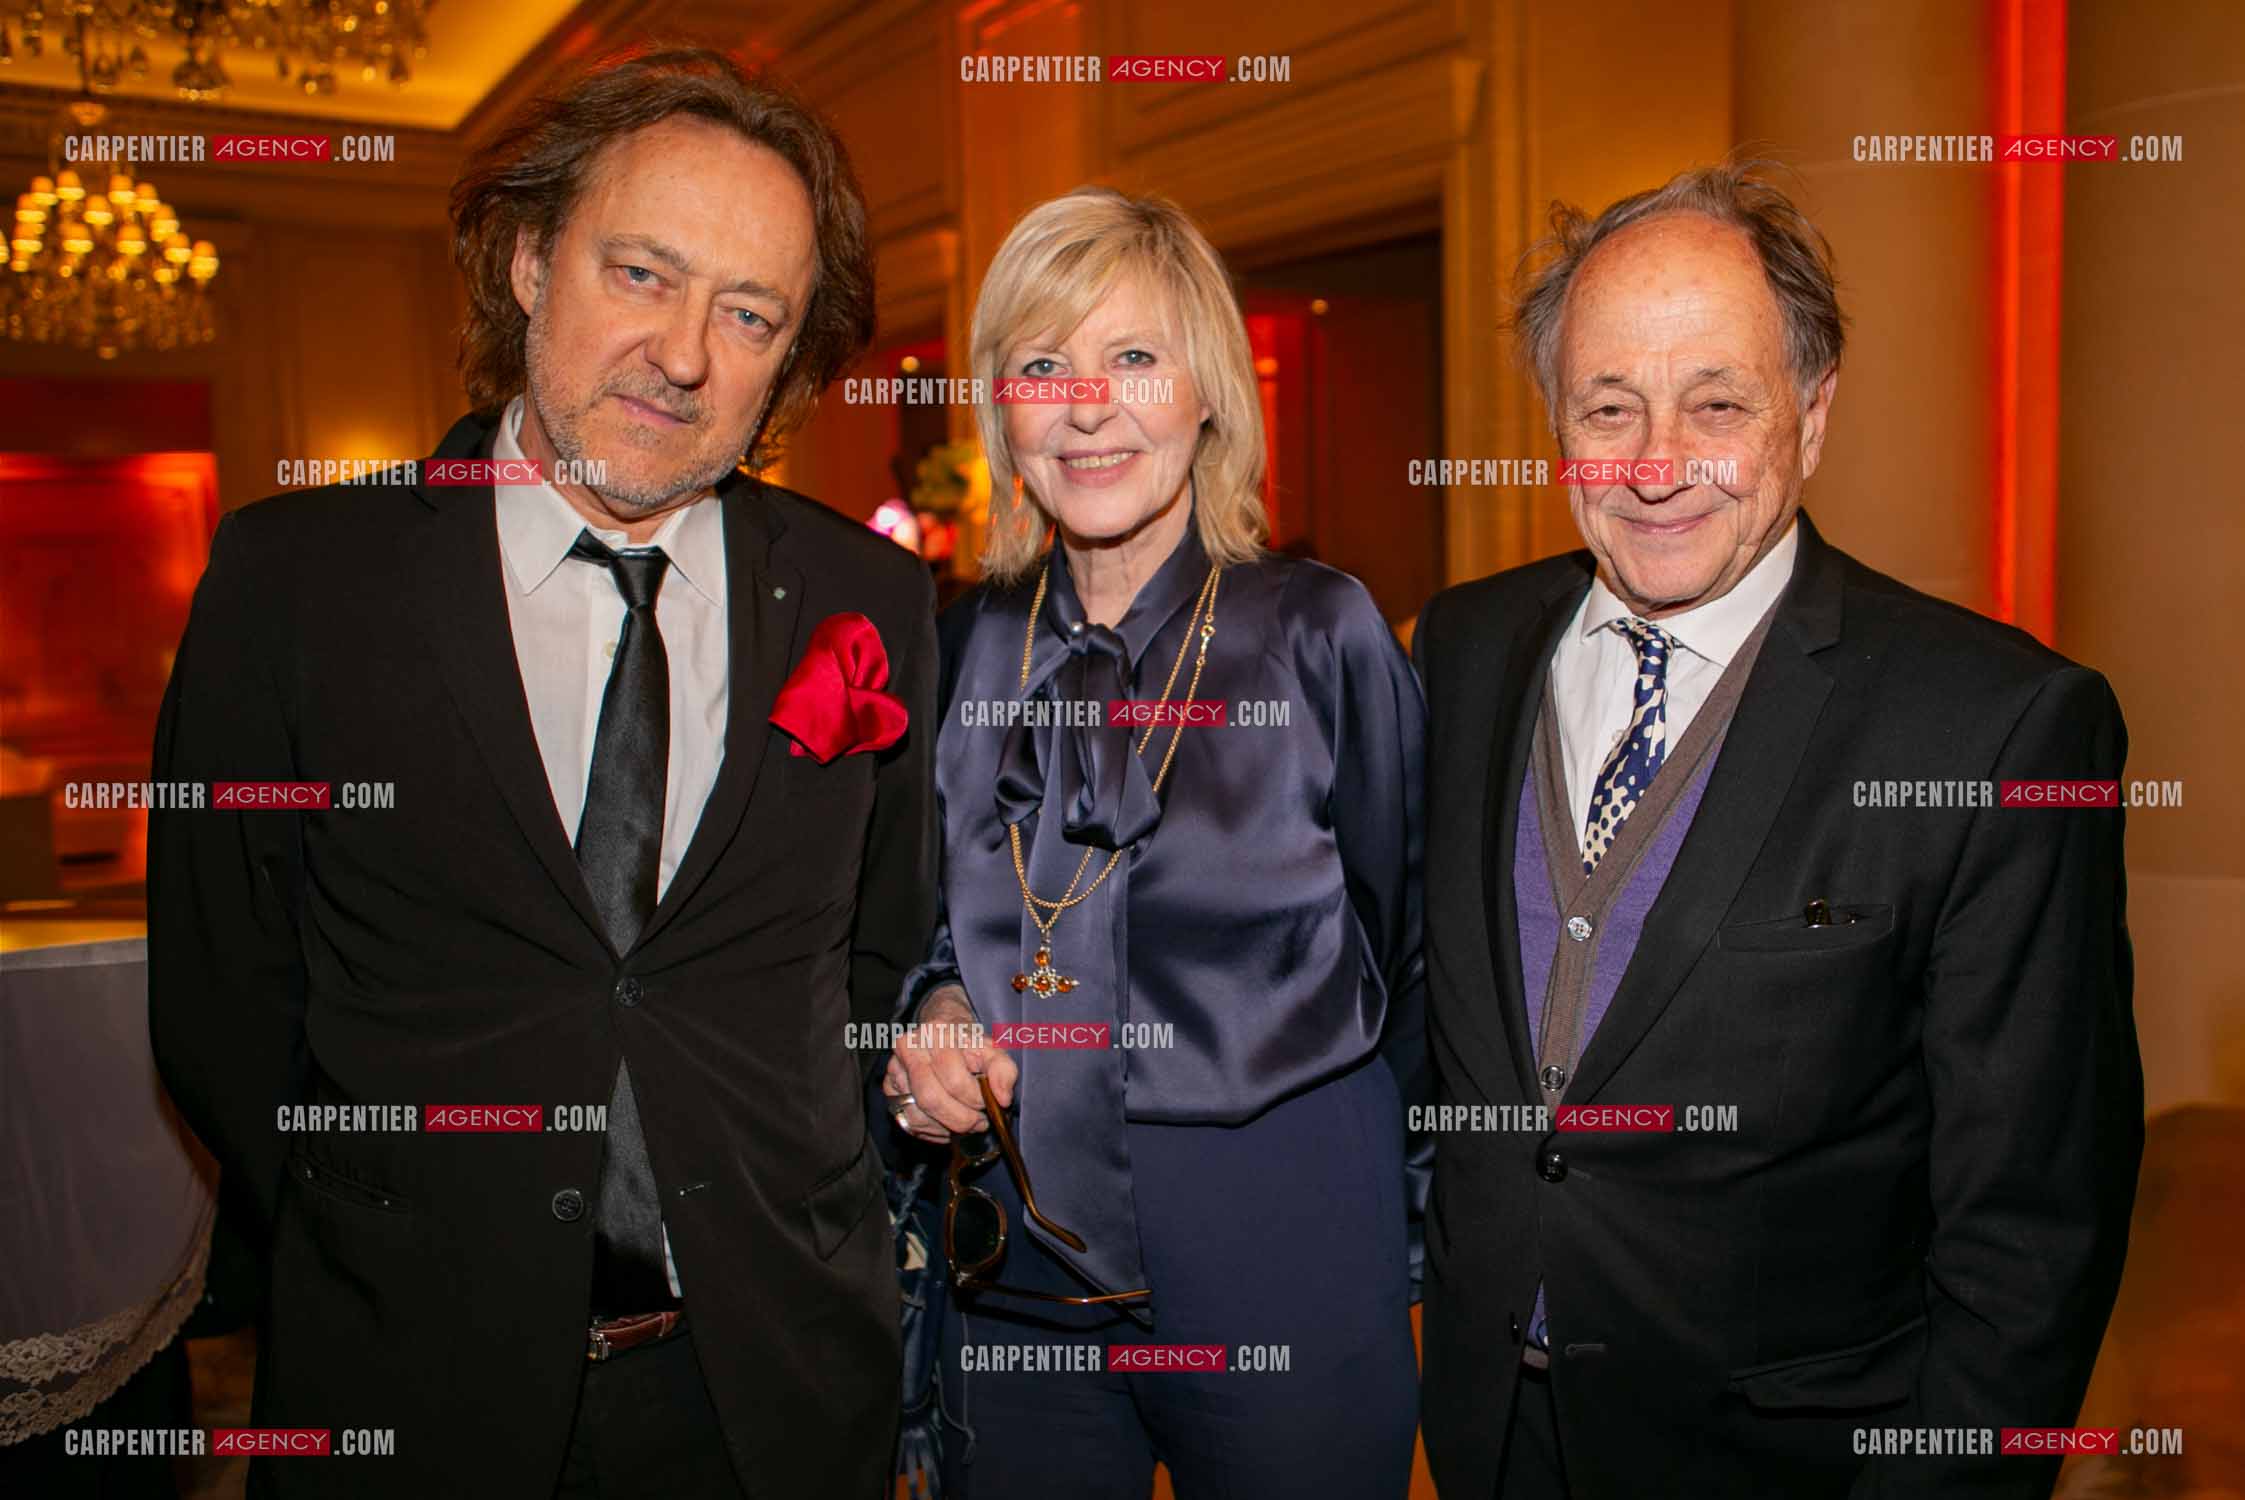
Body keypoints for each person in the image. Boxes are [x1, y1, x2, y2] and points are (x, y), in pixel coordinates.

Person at [147, 48, 934, 1499]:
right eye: (641, 273)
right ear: (524, 263)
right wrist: (393, 1222)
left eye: (748, 312)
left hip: (771, 1393)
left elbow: (875, 953)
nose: (685, 352)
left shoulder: (867, 601)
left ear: (791, 358)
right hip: (407, 1384)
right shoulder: (297, 579)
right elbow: (219, 993)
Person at [1413, 162, 2143, 1500]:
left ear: (1808, 416)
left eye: (1715, 404)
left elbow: (2029, 1229)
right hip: (1484, 1440)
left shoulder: (1993, 729)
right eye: (1607, 407)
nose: (1652, 467)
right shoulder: (1461, 651)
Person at [881, 186, 1428, 1500]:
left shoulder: (1317, 632)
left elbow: (1412, 942)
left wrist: (1405, 1221)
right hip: (1012, 1257)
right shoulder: (960, 646)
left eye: (1133, 357)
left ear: (1206, 395)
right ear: (1000, 410)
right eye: (1040, 365)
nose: (1087, 403)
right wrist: (938, 1014)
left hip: (1282, 1247)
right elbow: (932, 933)